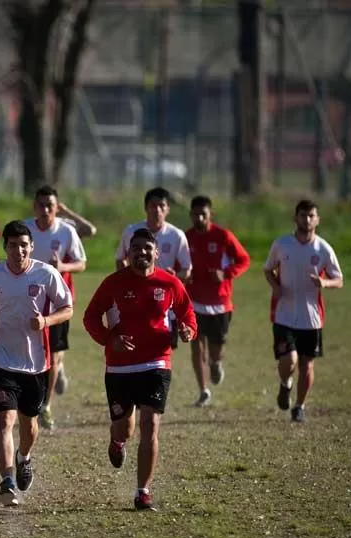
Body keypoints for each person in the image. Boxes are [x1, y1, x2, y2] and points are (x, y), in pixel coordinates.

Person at [83, 227, 197, 511]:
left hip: (157, 364)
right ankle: (117, 441)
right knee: (125, 429)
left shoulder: (170, 284)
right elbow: (90, 317)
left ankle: (142, 491)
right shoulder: (113, 283)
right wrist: (111, 339)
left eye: (148, 248)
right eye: (136, 248)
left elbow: (187, 314)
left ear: (157, 253)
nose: (142, 252)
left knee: (150, 425)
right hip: (120, 368)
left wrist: (188, 331)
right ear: (128, 253)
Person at [0, 221, 73, 507]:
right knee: (4, 420)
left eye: (24, 245)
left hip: (36, 364)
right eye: (13, 245)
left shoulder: (46, 274)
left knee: (29, 426)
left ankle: (24, 457)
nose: (19, 250)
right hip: (2, 360)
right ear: (5, 247)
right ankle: (6, 481)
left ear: (31, 247)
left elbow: (67, 308)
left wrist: (46, 321)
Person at [263, 199, 344, 422]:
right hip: (284, 313)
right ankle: (285, 383)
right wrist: (276, 287)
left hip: (311, 318)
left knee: (307, 364)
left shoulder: (323, 249)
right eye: (302, 215)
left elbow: (339, 279)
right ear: (295, 218)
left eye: (311, 216)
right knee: (288, 359)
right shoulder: (282, 244)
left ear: (317, 220)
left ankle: (299, 406)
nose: (306, 220)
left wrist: (324, 283)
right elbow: (268, 269)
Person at [24, 186, 87, 431]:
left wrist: (63, 267)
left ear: (57, 207)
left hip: (59, 303)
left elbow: (82, 263)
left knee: (52, 355)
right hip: (29, 301)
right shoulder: (25, 230)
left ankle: (45, 406)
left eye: (50, 205)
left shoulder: (67, 231)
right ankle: (29, 398)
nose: (45, 209)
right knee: (32, 353)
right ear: (34, 206)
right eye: (41, 204)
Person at [184, 195, 251, 407]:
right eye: (195, 214)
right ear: (191, 215)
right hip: (193, 301)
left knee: (215, 348)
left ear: (210, 214)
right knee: (196, 347)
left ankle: (216, 362)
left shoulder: (223, 236)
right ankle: (203, 391)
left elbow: (244, 260)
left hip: (220, 303)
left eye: (203, 214)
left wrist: (226, 273)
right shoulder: (185, 238)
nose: (199, 217)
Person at [115, 187, 191, 349]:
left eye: (161, 206)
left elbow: (187, 268)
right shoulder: (131, 231)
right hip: (135, 298)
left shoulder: (176, 235)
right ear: (145, 208)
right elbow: (120, 259)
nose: (157, 210)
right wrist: (126, 281)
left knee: (164, 347)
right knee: (135, 345)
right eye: (152, 205)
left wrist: (175, 277)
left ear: (168, 209)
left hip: (164, 301)